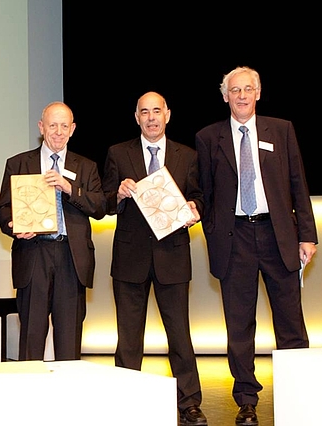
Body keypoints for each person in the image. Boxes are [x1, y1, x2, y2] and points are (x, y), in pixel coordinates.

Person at [194, 66, 318, 426]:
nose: (242, 95)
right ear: (225, 96)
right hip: (234, 241)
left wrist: (306, 235)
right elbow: (204, 192)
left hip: (278, 235)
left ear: (259, 93)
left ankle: (300, 392)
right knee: (239, 326)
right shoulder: (207, 137)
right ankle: (246, 400)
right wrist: (212, 228)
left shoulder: (281, 130)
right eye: (235, 90)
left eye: (249, 89)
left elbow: (299, 184)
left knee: (290, 322)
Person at [101, 91, 207, 426]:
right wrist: (117, 193)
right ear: (136, 117)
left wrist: (195, 210)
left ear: (168, 115)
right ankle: (127, 401)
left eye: (156, 111)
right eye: (144, 112)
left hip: (172, 256)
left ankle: (189, 403)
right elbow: (104, 202)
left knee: (180, 335)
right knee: (128, 338)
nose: (151, 117)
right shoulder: (118, 153)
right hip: (130, 257)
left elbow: (199, 197)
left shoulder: (187, 156)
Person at [0, 101, 106, 361]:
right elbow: (3, 210)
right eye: (52, 125)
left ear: (73, 129)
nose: (58, 131)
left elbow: (100, 206)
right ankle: (29, 395)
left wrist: (70, 189)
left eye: (64, 126)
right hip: (33, 253)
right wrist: (14, 226)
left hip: (71, 256)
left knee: (69, 337)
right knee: (32, 334)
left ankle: (66, 397)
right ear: (41, 127)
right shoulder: (19, 163)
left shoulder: (86, 167)